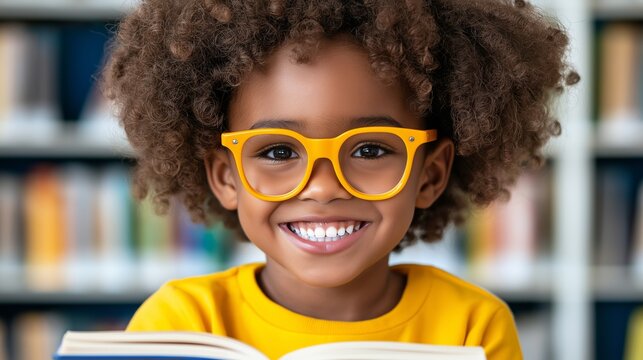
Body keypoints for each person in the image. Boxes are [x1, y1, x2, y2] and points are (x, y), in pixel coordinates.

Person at [103, 0, 578, 359]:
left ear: (430, 174)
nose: (324, 186)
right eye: (278, 151)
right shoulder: (180, 325)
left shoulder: (472, 329)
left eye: (370, 149)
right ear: (226, 177)